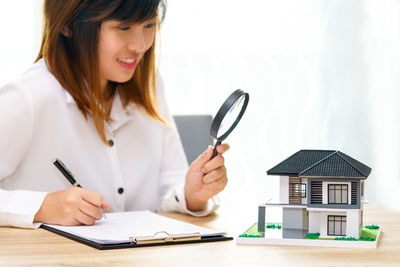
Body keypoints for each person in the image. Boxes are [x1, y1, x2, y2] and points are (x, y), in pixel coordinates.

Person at [0, 0, 229, 228]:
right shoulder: (28, 97)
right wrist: (41, 206)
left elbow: (170, 184)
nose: (139, 45)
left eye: (149, 25)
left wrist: (192, 194)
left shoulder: (150, 85)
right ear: (68, 26)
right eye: (124, 28)